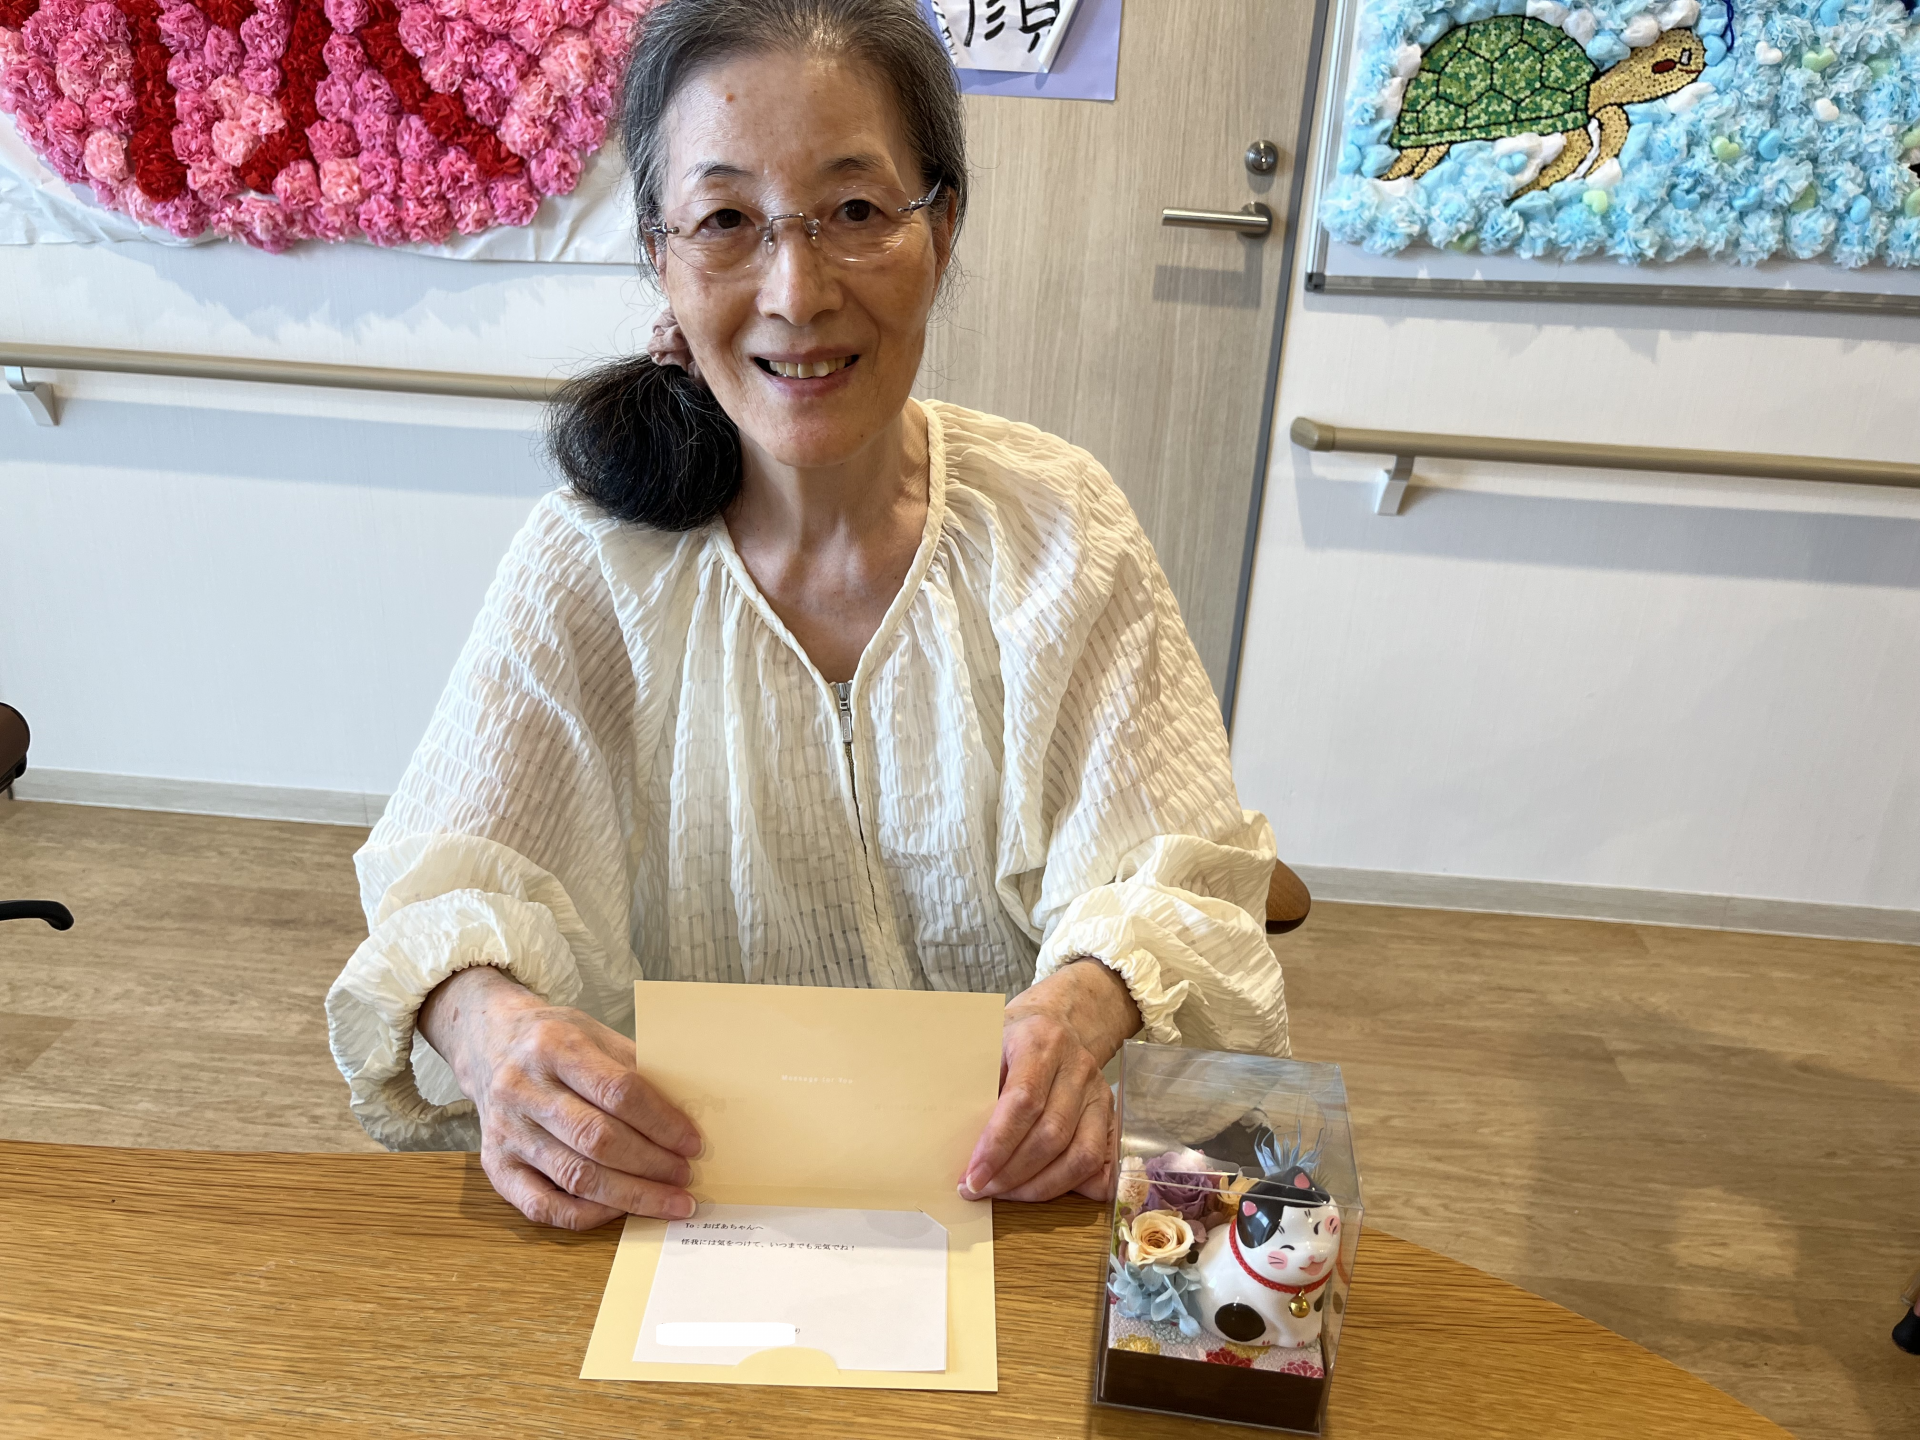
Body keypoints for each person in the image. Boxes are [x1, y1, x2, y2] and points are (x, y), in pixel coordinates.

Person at [325, 0, 1288, 1231]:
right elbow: (439, 887)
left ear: (943, 227)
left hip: (1011, 1198)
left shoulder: (1058, 529)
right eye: (727, 220)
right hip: (681, 1207)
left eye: (857, 210)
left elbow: (1177, 874)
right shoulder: (591, 560)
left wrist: (1089, 1003)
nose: (796, 292)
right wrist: (490, 1028)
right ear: (660, 255)